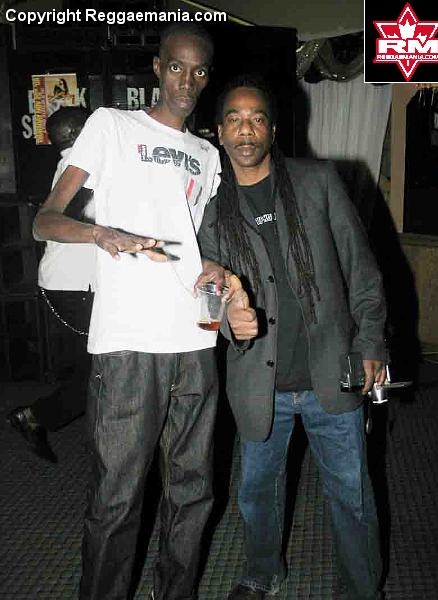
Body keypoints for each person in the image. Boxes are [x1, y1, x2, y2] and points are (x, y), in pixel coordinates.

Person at [32, 23, 255, 600]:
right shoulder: (111, 125)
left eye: (199, 71)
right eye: (176, 67)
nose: (187, 81)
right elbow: (45, 221)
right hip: (128, 340)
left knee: (193, 491)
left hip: (195, 337)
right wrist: (101, 233)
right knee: (117, 497)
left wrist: (215, 271)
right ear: (157, 68)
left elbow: (197, 245)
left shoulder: (207, 154)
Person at [198, 75, 388, 600]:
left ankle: (361, 588)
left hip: (332, 371)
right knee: (257, 494)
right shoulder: (212, 209)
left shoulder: (316, 181)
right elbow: (209, 289)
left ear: (273, 130)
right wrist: (227, 319)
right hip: (261, 383)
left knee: (351, 494)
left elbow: (361, 268)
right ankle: (263, 572)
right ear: (219, 132)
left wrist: (372, 343)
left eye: (256, 118)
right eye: (234, 119)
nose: (245, 130)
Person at [7, 106, 94, 463]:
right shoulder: (81, 169)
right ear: (81, 134)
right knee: (104, 368)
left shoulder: (74, 167)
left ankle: (35, 418)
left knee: (100, 367)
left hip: (71, 284)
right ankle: (35, 417)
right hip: (73, 286)